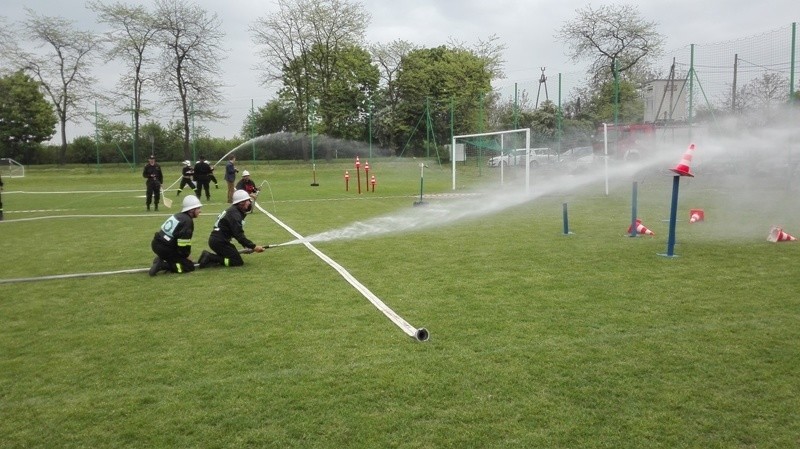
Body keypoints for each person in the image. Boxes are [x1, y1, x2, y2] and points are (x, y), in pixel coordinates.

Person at [198, 189, 265, 268]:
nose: (249, 203)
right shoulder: (235, 215)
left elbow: (235, 233)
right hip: (219, 242)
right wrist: (253, 246)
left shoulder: (234, 211)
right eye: (248, 201)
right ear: (241, 203)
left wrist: (247, 246)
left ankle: (211, 257)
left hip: (218, 240)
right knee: (237, 261)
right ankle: (210, 257)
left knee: (233, 255)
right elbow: (239, 235)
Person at [149, 195, 203, 276]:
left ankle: (160, 259)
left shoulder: (178, 215)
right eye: (198, 208)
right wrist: (186, 256)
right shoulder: (187, 221)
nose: (200, 211)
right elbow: (183, 244)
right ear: (192, 210)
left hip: (156, 244)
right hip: (165, 248)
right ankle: (162, 265)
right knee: (189, 266)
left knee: (182, 260)